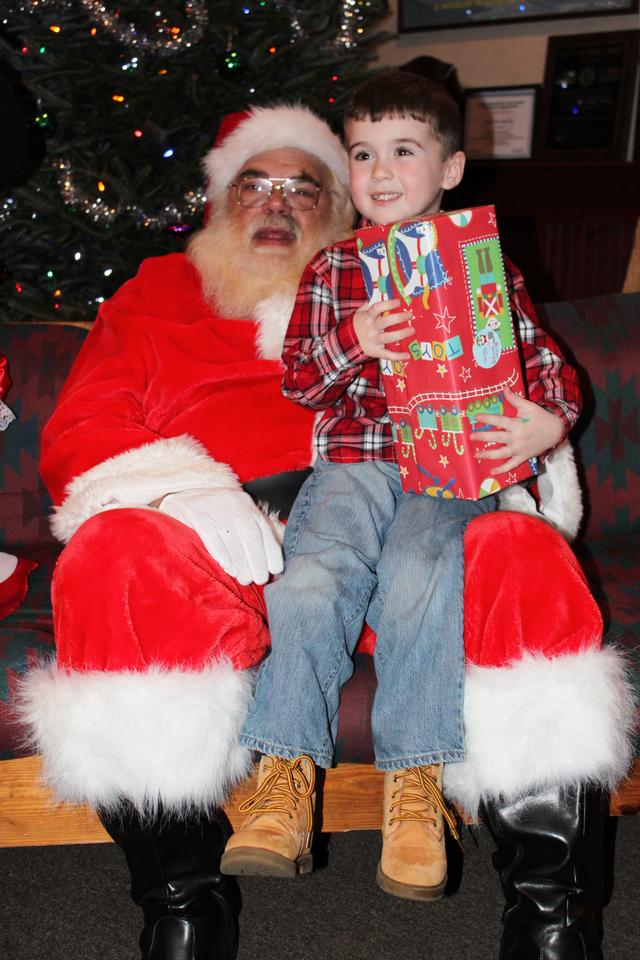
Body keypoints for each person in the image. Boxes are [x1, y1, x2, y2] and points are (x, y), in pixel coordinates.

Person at [18, 103, 634, 960]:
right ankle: (185, 910)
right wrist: (181, 492)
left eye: (301, 186)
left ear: (339, 200)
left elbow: (521, 375)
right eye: (253, 184)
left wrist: (529, 433)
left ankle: (551, 921)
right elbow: (85, 426)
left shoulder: (421, 274)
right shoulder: (157, 291)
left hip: (414, 528)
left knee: (523, 552)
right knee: (112, 559)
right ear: (217, 200)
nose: (276, 203)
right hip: (214, 554)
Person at [221, 69, 581, 906]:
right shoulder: (332, 269)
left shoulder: (484, 265)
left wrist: (547, 422)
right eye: (363, 154)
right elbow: (303, 382)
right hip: (354, 459)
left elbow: (543, 367)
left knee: (427, 575)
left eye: (404, 151)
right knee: (313, 575)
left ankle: (416, 789)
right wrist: (355, 338)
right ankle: (283, 778)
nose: (380, 171)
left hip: (450, 469)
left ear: (450, 168)